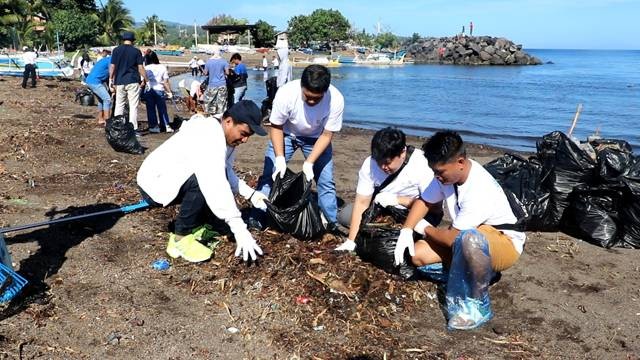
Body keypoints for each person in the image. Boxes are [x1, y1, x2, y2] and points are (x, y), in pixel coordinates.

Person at [395, 131, 526, 330]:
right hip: (467, 237)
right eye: (434, 172)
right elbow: (425, 201)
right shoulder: (445, 178)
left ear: (461, 162)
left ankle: (477, 305)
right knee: (418, 255)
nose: (437, 177)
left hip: (503, 243)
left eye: (440, 172)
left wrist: (425, 228)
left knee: (469, 240)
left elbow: (452, 239)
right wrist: (407, 229)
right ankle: (476, 273)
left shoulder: (479, 189)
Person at [137, 100, 269, 263]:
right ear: (228, 121)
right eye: (243, 134)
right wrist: (239, 229)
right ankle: (180, 238)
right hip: (154, 183)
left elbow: (227, 172)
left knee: (211, 179)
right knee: (204, 182)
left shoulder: (225, 137)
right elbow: (215, 184)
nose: (245, 141)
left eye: (248, 136)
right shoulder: (209, 135)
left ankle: (200, 223)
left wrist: (252, 195)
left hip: (172, 177)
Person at [254, 64, 344, 233]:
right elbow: (276, 126)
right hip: (286, 134)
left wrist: (309, 163)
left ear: (325, 92)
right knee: (269, 174)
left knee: (326, 181)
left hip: (317, 139)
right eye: (307, 96)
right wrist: (280, 158)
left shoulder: (336, 100)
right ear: (301, 86)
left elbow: (327, 135)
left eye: (316, 99)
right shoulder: (286, 93)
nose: (311, 101)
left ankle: (331, 221)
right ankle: (258, 215)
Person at [334, 127, 439, 251]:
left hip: (412, 213)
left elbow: (434, 207)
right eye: (379, 162)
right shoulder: (370, 164)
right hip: (383, 211)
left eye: (388, 162)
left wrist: (398, 200)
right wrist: (351, 240)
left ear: (402, 152)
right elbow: (362, 202)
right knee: (344, 216)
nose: (383, 167)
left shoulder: (421, 164)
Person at [109, 31, 148, 132]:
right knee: (133, 105)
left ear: (123, 40)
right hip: (133, 80)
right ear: (133, 40)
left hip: (120, 80)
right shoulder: (136, 51)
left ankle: (117, 127)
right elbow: (140, 67)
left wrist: (111, 79)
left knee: (119, 104)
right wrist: (146, 79)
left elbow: (112, 66)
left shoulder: (116, 50)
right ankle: (133, 128)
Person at [143, 51, 173, 133]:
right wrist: (169, 92)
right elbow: (165, 82)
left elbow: (143, 81)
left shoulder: (146, 68)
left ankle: (154, 127)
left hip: (149, 90)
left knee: (151, 109)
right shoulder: (162, 67)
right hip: (160, 89)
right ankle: (166, 125)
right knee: (162, 109)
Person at [85, 49, 112, 125]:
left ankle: (101, 119)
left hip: (90, 80)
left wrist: (110, 87)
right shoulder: (111, 60)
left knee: (101, 100)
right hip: (95, 82)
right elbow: (111, 72)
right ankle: (108, 122)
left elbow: (107, 76)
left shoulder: (106, 59)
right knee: (107, 99)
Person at [203, 44, 229, 115]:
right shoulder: (224, 61)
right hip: (222, 84)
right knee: (221, 103)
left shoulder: (208, 62)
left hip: (212, 85)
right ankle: (221, 117)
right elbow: (227, 72)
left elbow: (205, 73)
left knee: (210, 102)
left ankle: (212, 116)